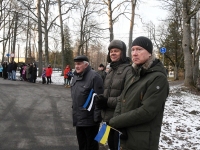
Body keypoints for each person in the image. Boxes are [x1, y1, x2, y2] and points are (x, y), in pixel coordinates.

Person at [109, 36, 169, 150]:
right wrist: (117, 124)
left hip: (142, 140)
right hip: (126, 135)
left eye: (139, 49)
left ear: (150, 53)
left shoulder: (158, 78)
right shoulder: (133, 74)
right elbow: (122, 99)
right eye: (133, 50)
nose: (135, 53)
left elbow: (147, 111)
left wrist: (116, 121)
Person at [95, 40, 132, 150]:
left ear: (123, 53)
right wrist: (101, 100)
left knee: (117, 146)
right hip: (107, 118)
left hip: (119, 119)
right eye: (111, 51)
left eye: (116, 51)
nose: (113, 53)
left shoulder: (128, 70)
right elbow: (107, 92)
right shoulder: (110, 71)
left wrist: (107, 101)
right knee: (108, 145)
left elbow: (127, 97)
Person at [71, 55, 104, 150]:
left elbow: (99, 98)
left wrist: (97, 118)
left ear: (86, 65)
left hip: (90, 121)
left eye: (79, 64)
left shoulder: (94, 76)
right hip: (78, 118)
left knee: (91, 146)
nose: (77, 66)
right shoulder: (75, 76)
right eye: (76, 64)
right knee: (82, 145)